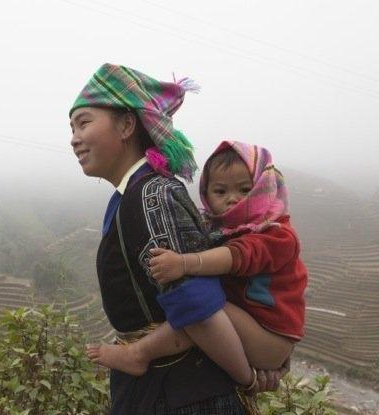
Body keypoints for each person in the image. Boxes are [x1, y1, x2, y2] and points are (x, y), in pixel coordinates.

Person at [70, 63, 251, 414]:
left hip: (183, 396)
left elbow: (197, 310)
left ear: (126, 125)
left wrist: (247, 378)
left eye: (84, 123)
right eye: (72, 127)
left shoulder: (153, 194)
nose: (74, 138)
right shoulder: (130, 197)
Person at [87, 141, 306, 398]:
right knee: (201, 306)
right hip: (250, 327)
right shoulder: (222, 228)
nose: (232, 199)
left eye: (245, 190)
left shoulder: (276, 234)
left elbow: (236, 257)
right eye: (220, 191)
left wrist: (184, 263)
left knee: (199, 304)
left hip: (269, 338)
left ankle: (138, 354)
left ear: (265, 189)